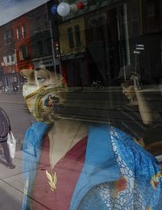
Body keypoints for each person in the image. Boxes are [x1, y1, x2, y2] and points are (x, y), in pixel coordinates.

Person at [19, 66, 162, 210]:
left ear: (68, 81)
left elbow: (156, 192)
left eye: (40, 78)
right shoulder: (33, 137)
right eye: (26, 79)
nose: (28, 88)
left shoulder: (119, 149)